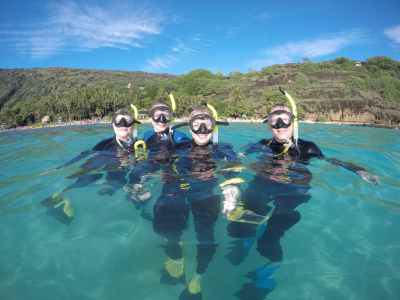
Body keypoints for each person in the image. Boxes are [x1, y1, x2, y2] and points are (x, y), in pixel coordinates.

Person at [224, 90, 379, 300]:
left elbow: (331, 161)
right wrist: (230, 180)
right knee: (238, 227)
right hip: (262, 185)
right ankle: (246, 241)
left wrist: (358, 169)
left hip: (293, 191)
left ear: (293, 122)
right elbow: (238, 156)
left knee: (270, 239)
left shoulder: (307, 147)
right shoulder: (260, 144)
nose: (279, 126)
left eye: (284, 120)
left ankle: (265, 277)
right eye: (274, 121)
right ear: (269, 124)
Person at [152, 105, 241, 299]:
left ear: (213, 126)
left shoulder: (224, 149)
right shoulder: (178, 147)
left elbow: (233, 170)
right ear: (190, 127)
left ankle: (198, 278)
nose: (202, 130)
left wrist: (231, 193)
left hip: (206, 194)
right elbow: (156, 162)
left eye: (206, 124)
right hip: (178, 190)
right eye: (196, 124)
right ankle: (176, 260)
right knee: (165, 220)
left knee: (206, 238)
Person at [42, 108, 149, 224]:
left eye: (128, 123)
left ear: (133, 126)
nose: (124, 125)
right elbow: (85, 154)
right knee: (90, 175)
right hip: (104, 161)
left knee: (126, 184)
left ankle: (125, 198)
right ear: (113, 126)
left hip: (121, 171)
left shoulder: (140, 145)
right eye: (119, 122)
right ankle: (60, 195)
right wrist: (61, 167)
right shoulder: (104, 145)